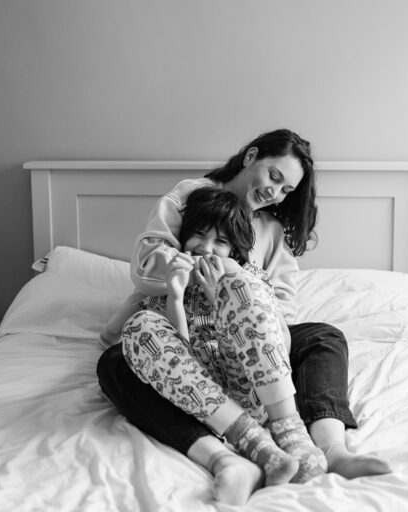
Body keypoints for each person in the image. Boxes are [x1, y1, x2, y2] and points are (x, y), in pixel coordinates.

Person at [98, 128, 391, 505]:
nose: (275, 192)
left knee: (323, 336)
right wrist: (192, 279)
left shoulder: (269, 228)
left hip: (250, 341)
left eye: (286, 189)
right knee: (114, 364)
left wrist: (238, 290)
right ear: (252, 157)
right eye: (274, 176)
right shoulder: (190, 196)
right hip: (182, 332)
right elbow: (148, 262)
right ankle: (225, 457)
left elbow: (282, 305)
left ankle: (330, 449)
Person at [105, 187, 326, 487]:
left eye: (220, 241)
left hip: (249, 388)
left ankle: (291, 432)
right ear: (183, 239)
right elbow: (176, 361)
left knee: (240, 286)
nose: (206, 248)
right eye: (199, 235)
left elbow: (279, 344)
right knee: (138, 326)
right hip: (199, 399)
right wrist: (175, 295)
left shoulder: (248, 278)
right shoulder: (168, 283)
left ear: (234, 250)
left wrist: (217, 294)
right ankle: (258, 447)